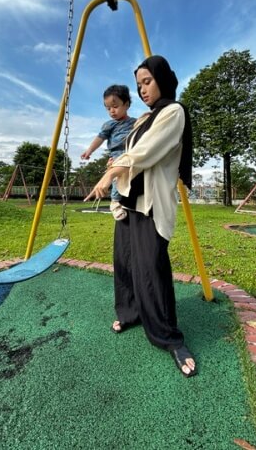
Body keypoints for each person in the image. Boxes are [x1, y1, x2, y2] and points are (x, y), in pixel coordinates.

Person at [84, 55, 197, 378]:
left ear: (162, 78)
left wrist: (107, 178)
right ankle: (130, 313)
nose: (143, 89)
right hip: (129, 203)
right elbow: (123, 149)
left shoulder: (173, 112)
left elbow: (144, 153)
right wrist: (111, 168)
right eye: (139, 85)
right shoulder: (142, 119)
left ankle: (169, 337)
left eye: (147, 82)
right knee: (125, 263)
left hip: (151, 204)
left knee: (151, 269)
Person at [80, 84, 137, 220]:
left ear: (126, 104)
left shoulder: (135, 122)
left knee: (133, 177)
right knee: (117, 177)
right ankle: (115, 202)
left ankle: (132, 200)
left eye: (115, 106)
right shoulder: (109, 125)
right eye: (108, 108)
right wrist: (89, 150)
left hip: (132, 154)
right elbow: (100, 138)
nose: (112, 111)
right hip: (117, 154)